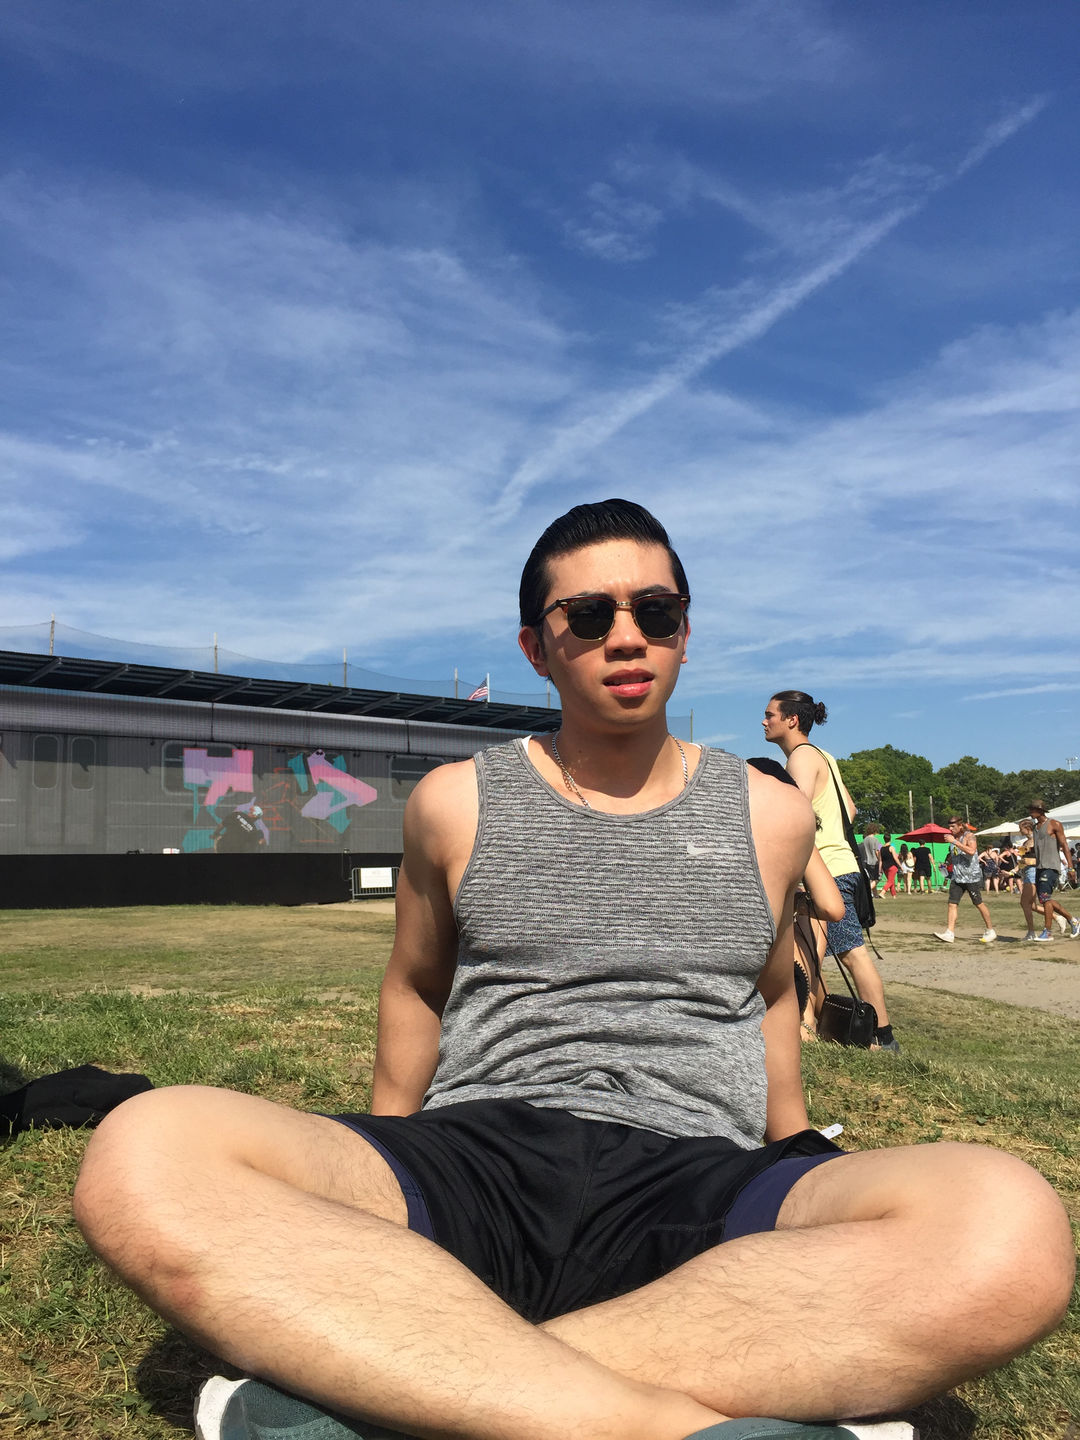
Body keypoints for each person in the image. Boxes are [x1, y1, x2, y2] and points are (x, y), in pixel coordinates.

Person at [72, 500, 1074, 1440]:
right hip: (477, 1154)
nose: (625, 636)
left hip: (701, 1172)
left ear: (685, 632)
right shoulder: (454, 801)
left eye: (655, 611)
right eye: (589, 615)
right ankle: (663, 1421)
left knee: (1006, 1228)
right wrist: (389, 1158)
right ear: (537, 647)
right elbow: (416, 983)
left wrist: (793, 1147)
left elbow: (773, 990)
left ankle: (403, 1384)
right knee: (146, 1150)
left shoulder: (771, 816)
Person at [763, 694, 899, 1053]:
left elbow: (795, 811)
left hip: (827, 871)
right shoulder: (823, 756)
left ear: (792, 720)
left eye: (770, 715)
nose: (764, 722)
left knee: (851, 953)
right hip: (840, 866)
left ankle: (883, 1036)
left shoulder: (801, 757)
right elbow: (849, 809)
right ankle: (814, 1023)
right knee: (812, 951)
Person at [933, 818, 996, 944]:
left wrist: (955, 842)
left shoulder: (969, 836)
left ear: (960, 826)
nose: (950, 829)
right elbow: (954, 854)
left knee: (978, 903)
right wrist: (946, 863)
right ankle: (949, 933)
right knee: (952, 903)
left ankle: (990, 930)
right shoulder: (953, 839)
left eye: (953, 826)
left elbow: (971, 851)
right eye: (949, 827)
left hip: (971, 877)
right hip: (957, 877)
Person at [1027, 801, 1080, 942]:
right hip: (1040, 867)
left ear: (1040, 811)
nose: (1030, 812)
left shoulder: (1054, 824)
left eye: (1032, 809)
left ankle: (1048, 932)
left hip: (1051, 866)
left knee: (1045, 899)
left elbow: (1064, 846)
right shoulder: (1035, 827)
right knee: (1045, 899)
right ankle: (1073, 920)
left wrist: (1070, 867)